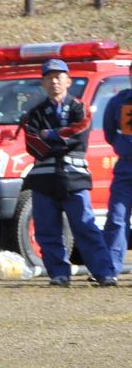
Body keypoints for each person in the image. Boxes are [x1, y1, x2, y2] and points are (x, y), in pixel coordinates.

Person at [22, 59, 115, 288]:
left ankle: (104, 273)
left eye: (59, 76)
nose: (54, 81)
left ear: (68, 81)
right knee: (47, 230)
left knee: (85, 226)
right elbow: (32, 144)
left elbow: (78, 135)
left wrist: (49, 135)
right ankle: (59, 274)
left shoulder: (78, 108)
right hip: (44, 180)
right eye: (49, 77)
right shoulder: (34, 113)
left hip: (74, 178)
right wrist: (58, 139)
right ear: (42, 82)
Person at [103, 79, 132, 283]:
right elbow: (110, 133)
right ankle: (110, 269)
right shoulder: (118, 102)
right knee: (117, 217)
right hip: (126, 168)